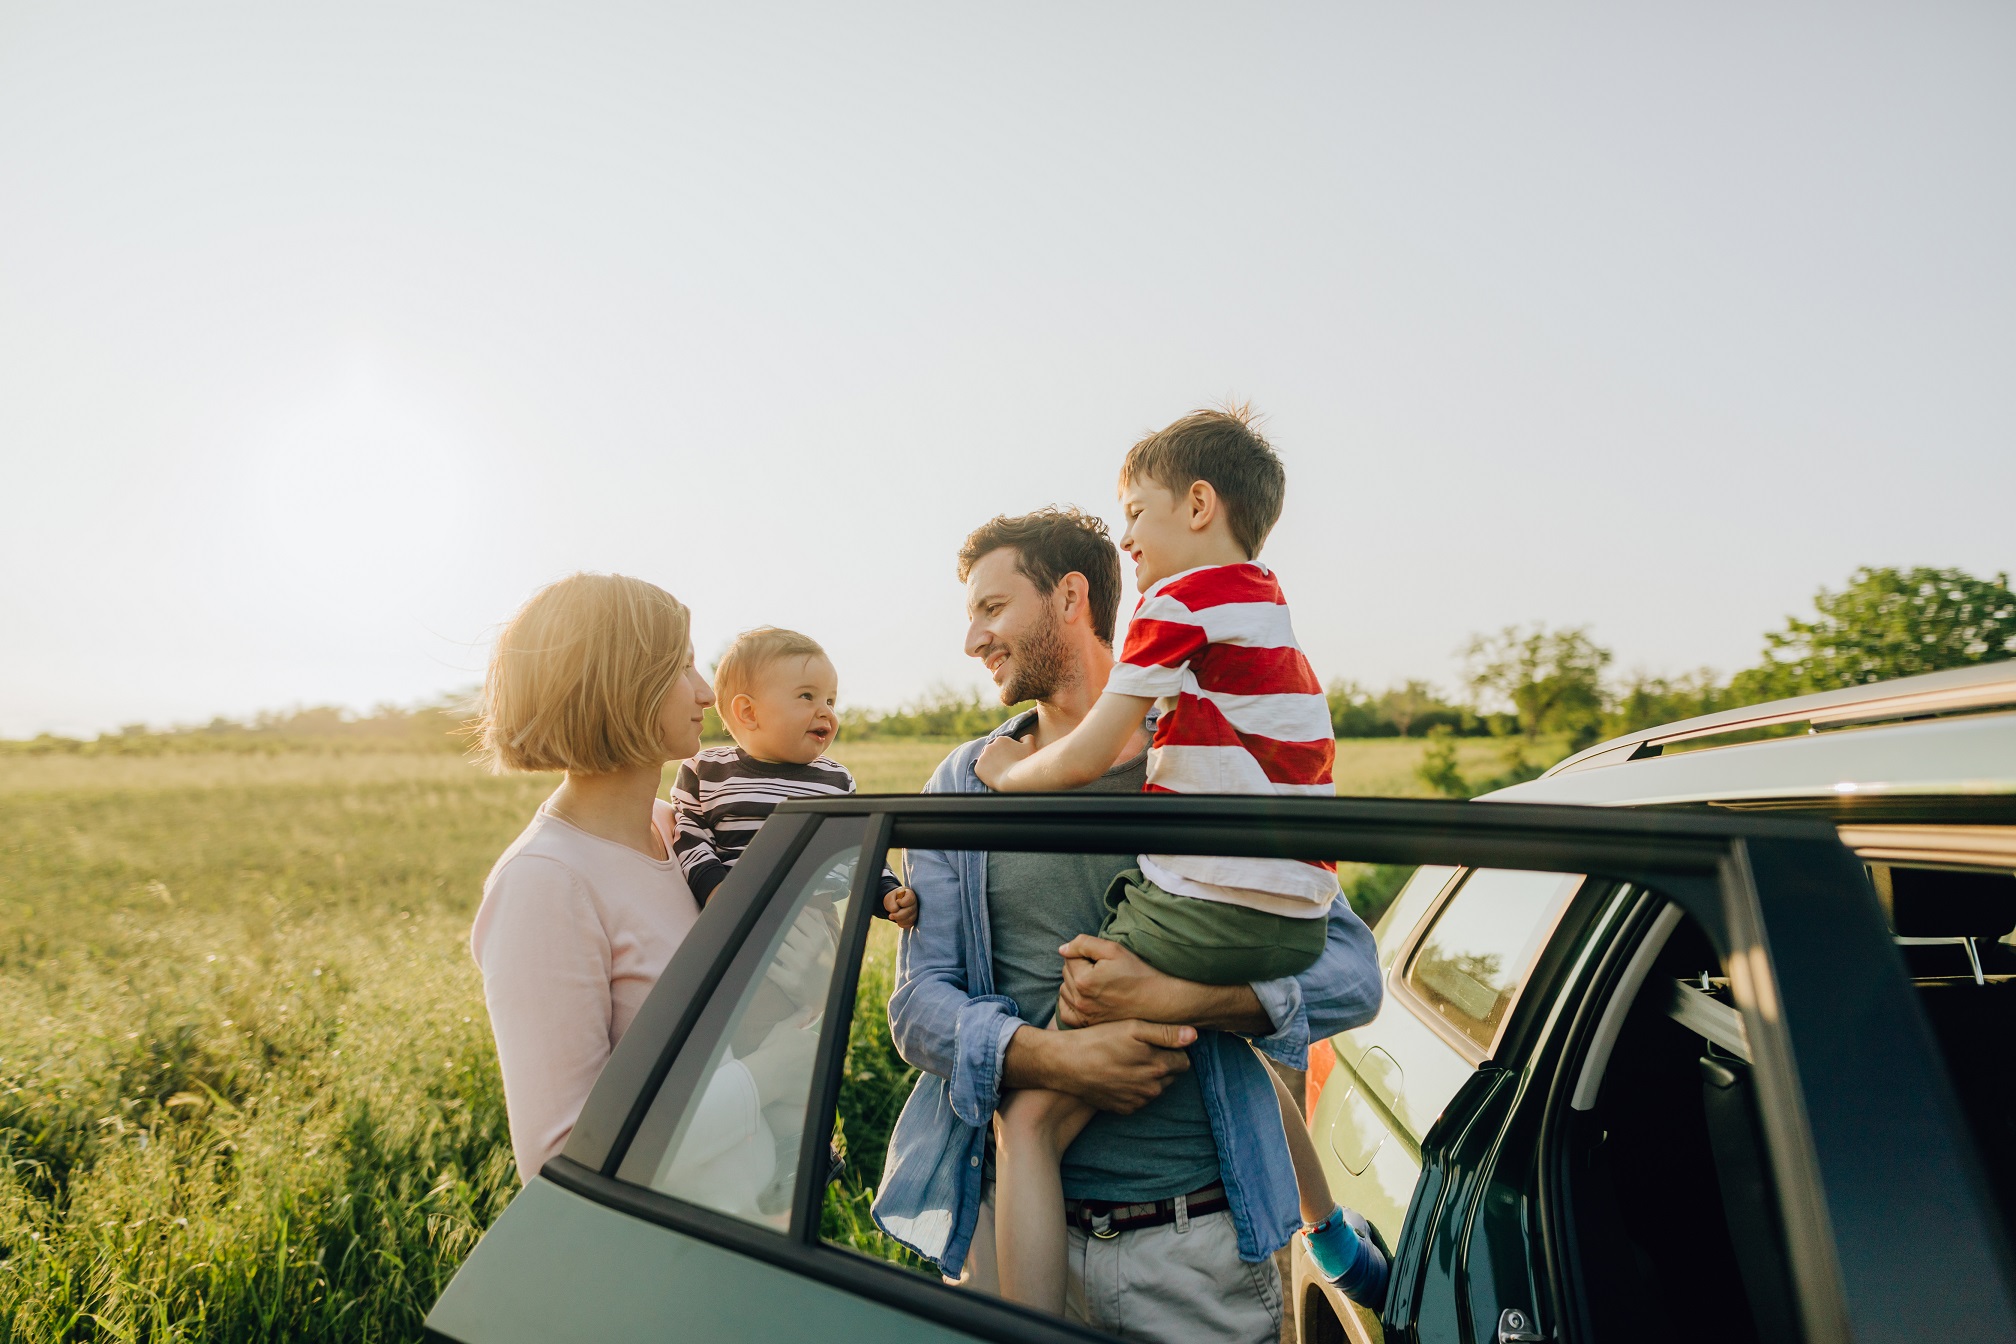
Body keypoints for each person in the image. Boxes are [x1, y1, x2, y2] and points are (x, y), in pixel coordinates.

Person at [872, 505, 1384, 1343]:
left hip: (1198, 1254)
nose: (973, 640)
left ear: (1070, 597)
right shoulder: (964, 784)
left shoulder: (1213, 757)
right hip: (1009, 1236)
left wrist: (1179, 996)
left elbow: (1351, 974)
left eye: (992, 609)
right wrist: (1056, 1057)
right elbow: (919, 1006)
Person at [468, 572, 813, 1207]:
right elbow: (559, 1159)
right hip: (661, 1263)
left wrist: (799, 974)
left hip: (750, 1227)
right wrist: (766, 1080)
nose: (707, 692)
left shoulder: (677, 830)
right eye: (682, 667)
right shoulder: (545, 883)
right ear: (619, 685)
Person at [670, 625, 916, 926]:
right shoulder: (707, 771)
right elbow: (690, 836)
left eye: (830, 701)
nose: (825, 712)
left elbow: (858, 849)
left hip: (814, 921)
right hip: (734, 917)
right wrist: (715, 890)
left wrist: (887, 893)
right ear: (748, 712)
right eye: (807, 696)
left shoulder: (835, 779)